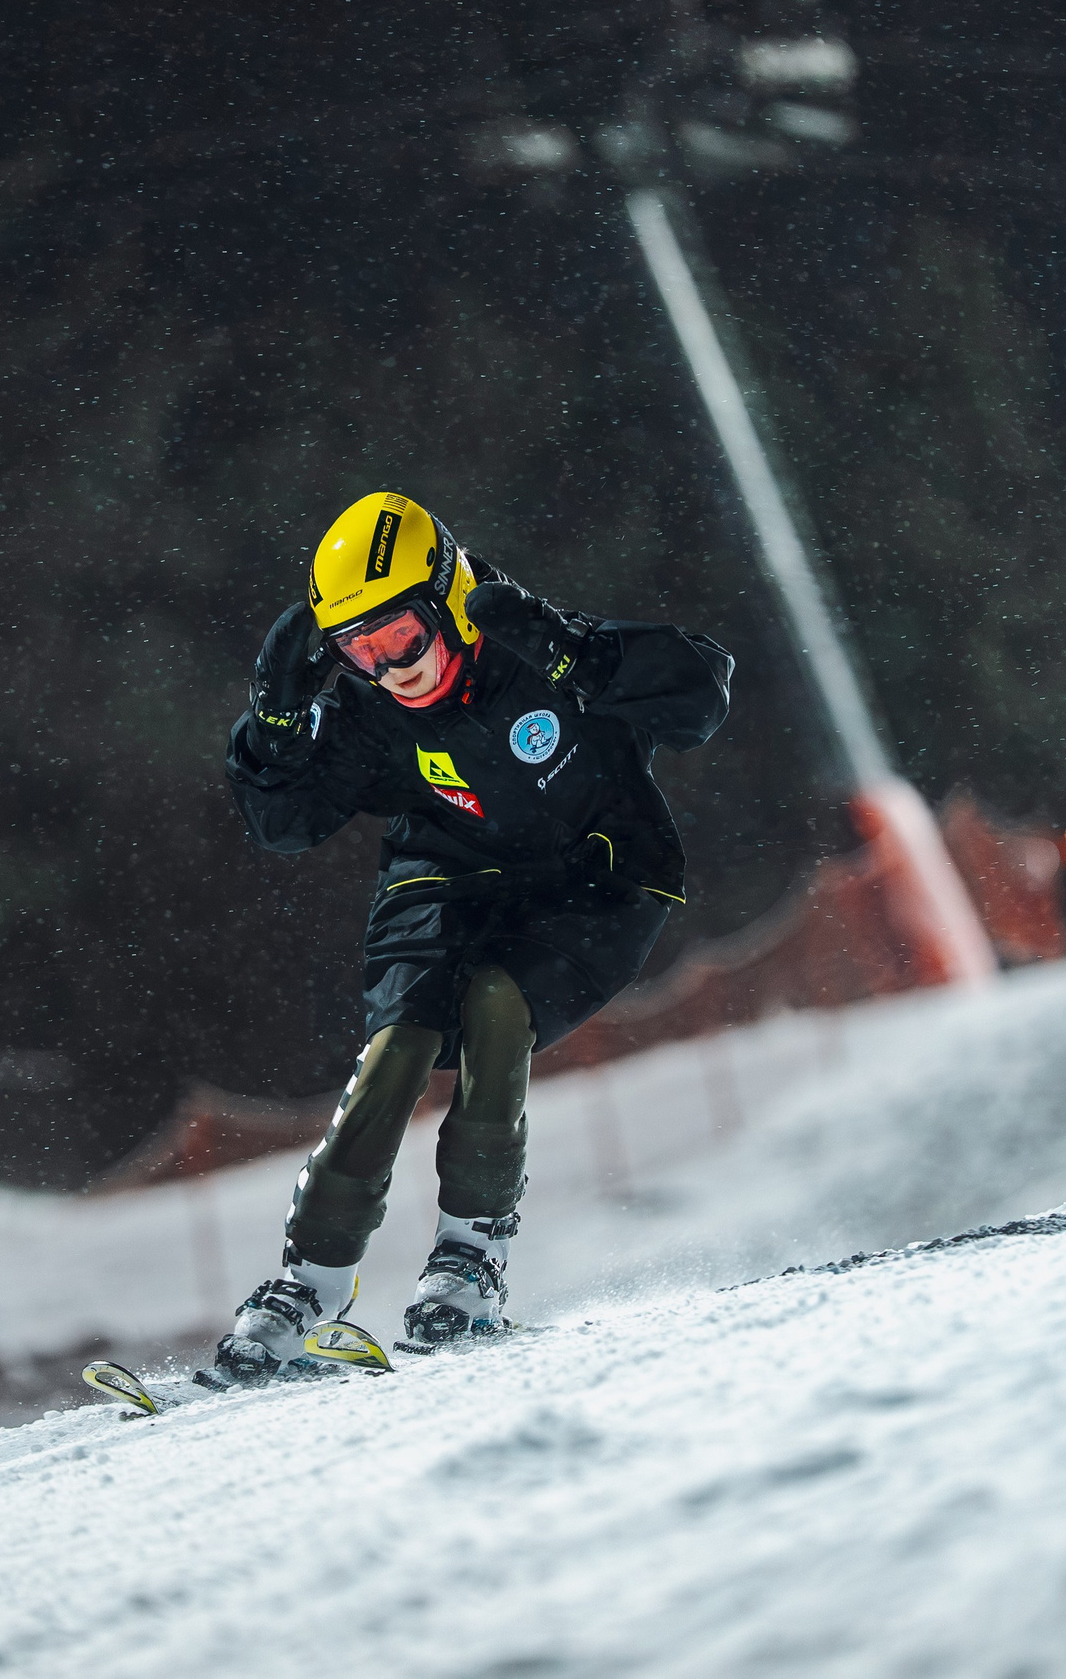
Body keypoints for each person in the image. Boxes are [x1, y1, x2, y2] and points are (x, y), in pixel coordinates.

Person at [216, 491, 732, 1380]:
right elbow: (287, 822)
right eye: (359, 651)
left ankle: (470, 1256)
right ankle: (308, 1281)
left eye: (403, 638)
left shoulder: (534, 652)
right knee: (399, 1042)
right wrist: (271, 726)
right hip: (449, 876)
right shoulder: (375, 711)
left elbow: (701, 693)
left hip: (594, 876)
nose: (390, 669)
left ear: (448, 597)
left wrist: (580, 655)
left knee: (498, 1006)